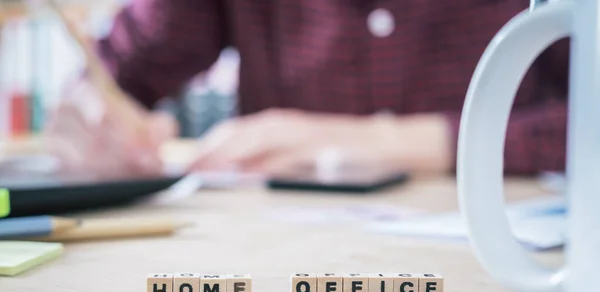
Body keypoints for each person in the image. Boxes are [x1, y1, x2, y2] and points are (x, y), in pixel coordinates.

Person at [47, 0, 569, 178]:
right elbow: (117, 75)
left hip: (511, 265)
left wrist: (392, 143)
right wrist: (95, 119)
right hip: (282, 265)